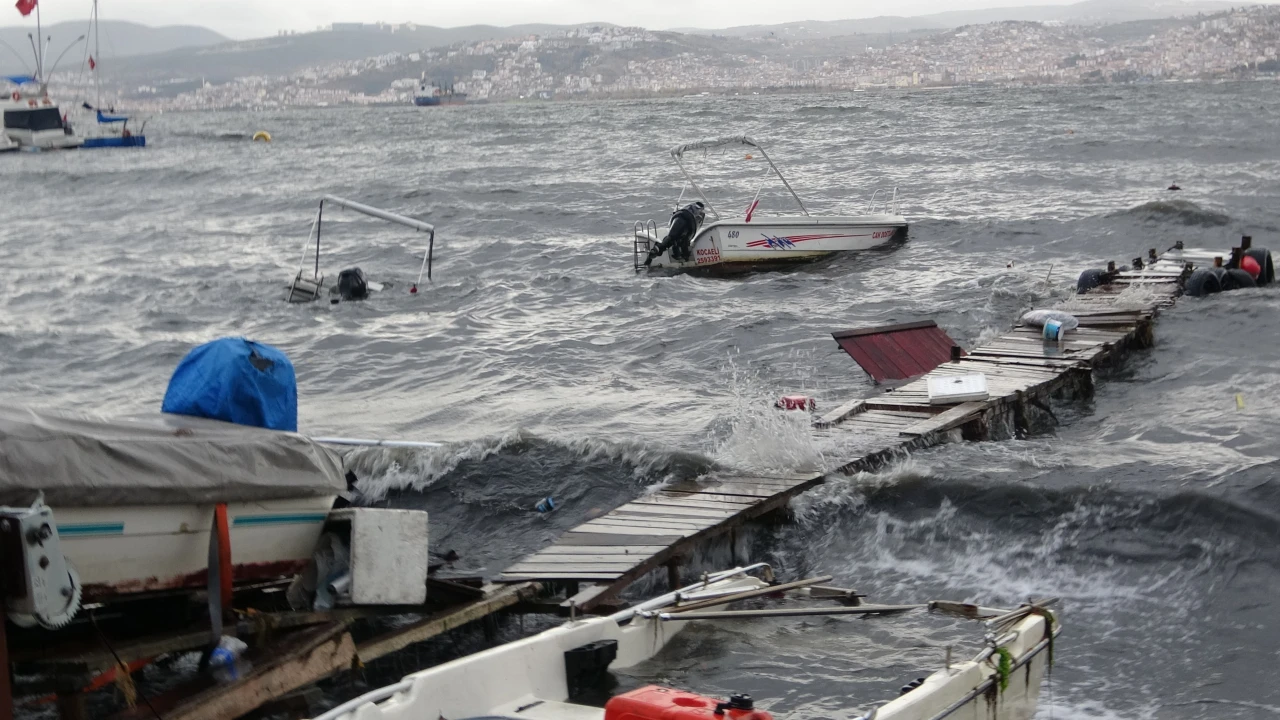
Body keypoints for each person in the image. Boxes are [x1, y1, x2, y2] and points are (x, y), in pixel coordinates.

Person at [644, 201, 706, 266]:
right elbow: (686, 240)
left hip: (679, 217)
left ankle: (656, 250)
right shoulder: (697, 216)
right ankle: (661, 250)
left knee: (671, 238)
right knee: (674, 240)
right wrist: (686, 255)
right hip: (688, 222)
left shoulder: (690, 210)